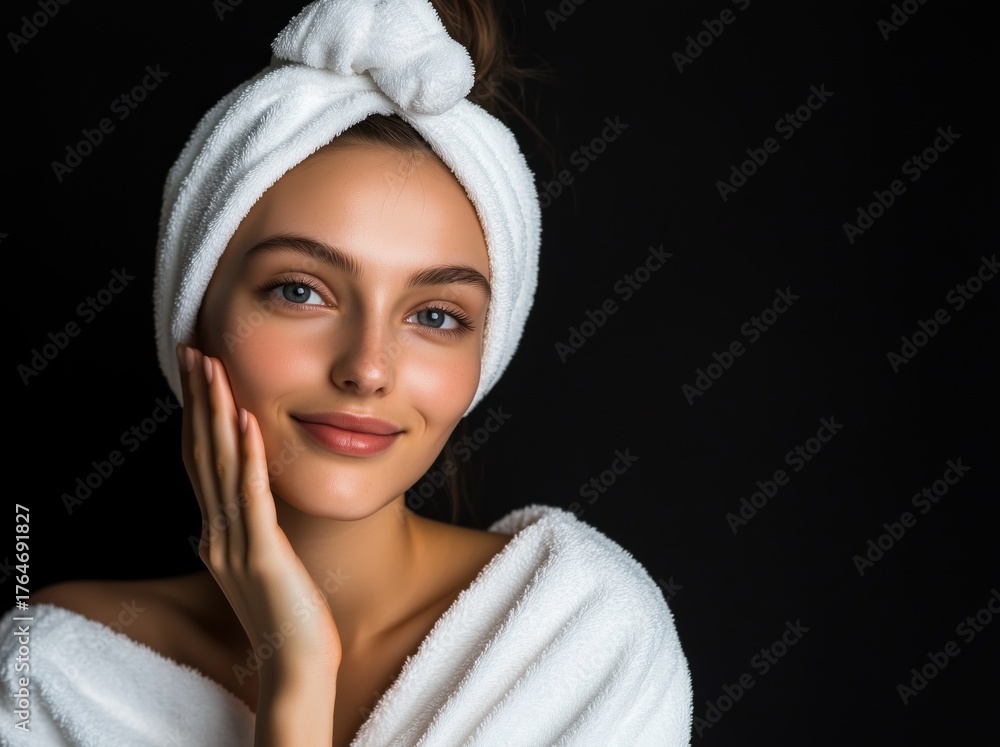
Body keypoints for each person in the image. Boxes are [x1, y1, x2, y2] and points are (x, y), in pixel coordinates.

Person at [1, 0, 692, 744]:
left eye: (436, 315)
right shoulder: (51, 673)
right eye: (300, 291)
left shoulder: (578, 633)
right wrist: (296, 661)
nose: (367, 368)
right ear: (192, 315)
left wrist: (295, 681)